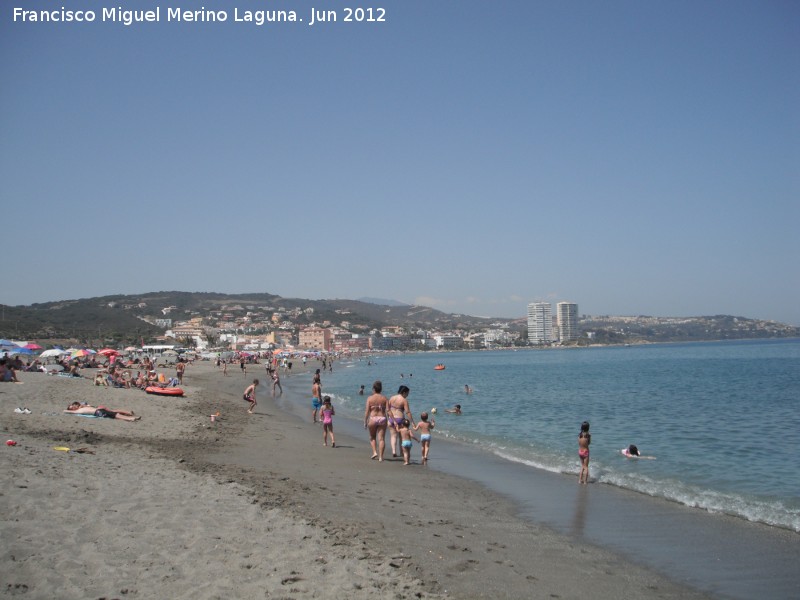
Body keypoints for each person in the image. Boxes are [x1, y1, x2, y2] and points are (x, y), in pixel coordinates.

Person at [363, 380, 388, 461]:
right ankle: (381, 457)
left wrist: (365, 421)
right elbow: (388, 410)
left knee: (372, 437)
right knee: (381, 439)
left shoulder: (370, 398)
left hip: (373, 418)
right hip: (382, 418)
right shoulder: (384, 398)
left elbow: (367, 411)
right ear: (381, 389)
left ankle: (374, 452)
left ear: (373, 389)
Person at [388, 385, 414, 458]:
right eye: (407, 393)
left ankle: (393, 451)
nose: (407, 395)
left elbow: (388, 409)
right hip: (400, 419)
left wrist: (388, 418)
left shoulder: (392, 398)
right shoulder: (404, 400)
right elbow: (408, 412)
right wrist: (412, 422)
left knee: (393, 436)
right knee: (401, 437)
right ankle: (402, 453)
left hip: (391, 419)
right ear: (404, 392)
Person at [65, 402, 140, 422]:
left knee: (114, 415)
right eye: (72, 407)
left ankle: (131, 418)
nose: (74, 406)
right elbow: (66, 411)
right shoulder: (77, 411)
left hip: (98, 411)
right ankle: (131, 418)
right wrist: (68, 410)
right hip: (98, 412)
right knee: (115, 414)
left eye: (73, 405)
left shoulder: (80, 407)